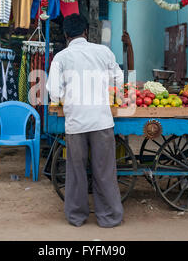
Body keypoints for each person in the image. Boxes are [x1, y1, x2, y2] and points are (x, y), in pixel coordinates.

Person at [46, 13, 124, 228]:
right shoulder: (103, 52)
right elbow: (118, 78)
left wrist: (59, 100)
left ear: (65, 35)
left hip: (75, 122)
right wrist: (116, 98)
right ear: (86, 32)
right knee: (104, 171)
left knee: (76, 171)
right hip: (101, 120)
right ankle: (109, 217)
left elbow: (53, 90)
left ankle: (77, 217)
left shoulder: (61, 58)